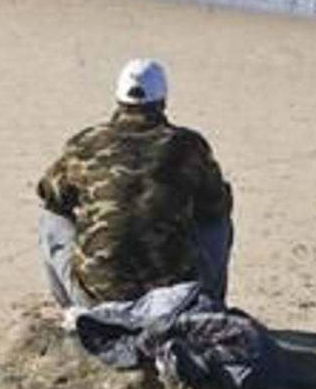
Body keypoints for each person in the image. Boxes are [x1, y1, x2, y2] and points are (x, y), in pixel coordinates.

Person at [37, 59, 233, 308]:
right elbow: (216, 206)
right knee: (219, 220)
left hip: (95, 299)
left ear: (119, 99)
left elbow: (49, 194)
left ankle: (72, 310)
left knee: (50, 217)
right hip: (174, 300)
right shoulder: (189, 146)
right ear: (163, 100)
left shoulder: (85, 143)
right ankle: (212, 303)